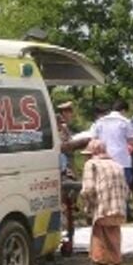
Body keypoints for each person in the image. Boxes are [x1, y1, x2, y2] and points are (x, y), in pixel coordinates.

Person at [80, 139, 129, 265]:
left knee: (99, 242)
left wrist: (88, 208)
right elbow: (126, 190)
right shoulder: (117, 165)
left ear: (92, 153)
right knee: (115, 240)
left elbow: (88, 190)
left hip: (102, 210)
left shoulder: (91, 164)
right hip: (119, 209)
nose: (86, 157)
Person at [90, 100, 133, 190]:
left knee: (105, 189)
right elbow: (132, 141)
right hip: (122, 161)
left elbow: (93, 140)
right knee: (123, 190)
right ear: (123, 110)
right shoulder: (125, 122)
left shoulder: (100, 122)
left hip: (104, 161)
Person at [56, 101, 80, 255]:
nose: (69, 114)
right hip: (62, 173)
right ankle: (66, 241)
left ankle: (68, 239)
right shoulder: (60, 131)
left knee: (68, 208)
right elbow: (62, 150)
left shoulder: (65, 129)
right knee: (65, 208)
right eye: (67, 111)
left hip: (68, 170)